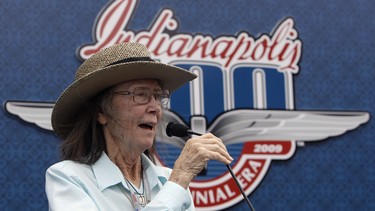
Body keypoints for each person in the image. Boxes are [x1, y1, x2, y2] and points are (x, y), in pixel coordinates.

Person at [45, 42, 233, 211]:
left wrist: (176, 182)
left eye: (158, 97)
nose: (155, 108)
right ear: (101, 112)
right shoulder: (69, 177)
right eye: (141, 94)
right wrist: (178, 181)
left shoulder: (168, 180)